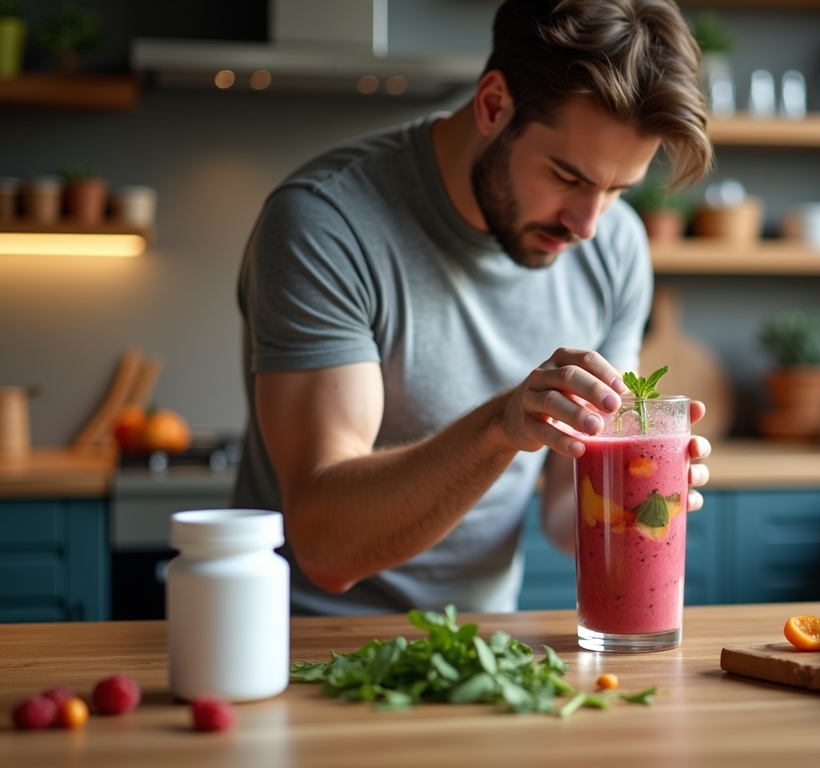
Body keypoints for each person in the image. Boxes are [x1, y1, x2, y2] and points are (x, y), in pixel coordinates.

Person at [233, 0, 714, 615]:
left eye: (617, 189)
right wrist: (500, 427)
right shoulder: (326, 224)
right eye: (567, 177)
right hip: (310, 642)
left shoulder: (616, 246)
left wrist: (632, 493)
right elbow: (326, 550)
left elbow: (566, 510)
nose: (588, 224)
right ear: (493, 105)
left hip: (481, 644)